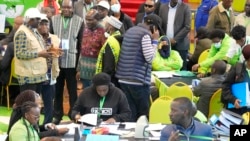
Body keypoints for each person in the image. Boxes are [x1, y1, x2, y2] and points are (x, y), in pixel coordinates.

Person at [115, 14, 160, 122]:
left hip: (123, 78)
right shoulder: (145, 35)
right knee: (143, 116)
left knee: (130, 114)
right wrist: (155, 41)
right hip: (137, 81)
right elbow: (149, 58)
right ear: (153, 27)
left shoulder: (130, 30)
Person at [50, 0, 83, 124]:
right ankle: (57, 115)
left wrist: (78, 65)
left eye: (69, 7)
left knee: (72, 90)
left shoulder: (79, 21)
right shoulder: (54, 19)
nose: (66, 10)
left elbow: (81, 44)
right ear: (61, 8)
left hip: (72, 61)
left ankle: (73, 114)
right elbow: (50, 38)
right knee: (57, 89)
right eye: (64, 7)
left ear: (73, 8)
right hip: (56, 61)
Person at [14, 8, 51, 93]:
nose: (39, 21)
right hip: (28, 77)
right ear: (30, 20)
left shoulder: (34, 30)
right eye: (37, 19)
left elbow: (37, 48)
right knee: (28, 104)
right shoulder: (22, 32)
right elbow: (20, 53)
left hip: (36, 75)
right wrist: (40, 54)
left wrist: (47, 50)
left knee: (35, 103)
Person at [37, 15, 61, 125]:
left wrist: (57, 52)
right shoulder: (34, 37)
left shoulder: (55, 38)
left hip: (51, 74)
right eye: (41, 24)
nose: (44, 26)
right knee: (35, 102)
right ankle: (34, 125)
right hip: (37, 74)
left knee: (49, 102)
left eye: (46, 24)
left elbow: (57, 53)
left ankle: (47, 124)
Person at [76, 9, 106, 88]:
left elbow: (104, 53)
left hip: (96, 71)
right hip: (84, 71)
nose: (87, 22)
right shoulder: (85, 29)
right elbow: (82, 50)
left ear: (97, 19)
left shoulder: (103, 31)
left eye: (90, 20)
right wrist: (79, 69)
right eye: (86, 19)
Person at [159, 0, 192, 70]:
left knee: (182, 70)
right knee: (166, 69)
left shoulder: (185, 8)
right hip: (165, 44)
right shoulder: (162, 7)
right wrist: (165, 39)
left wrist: (175, 39)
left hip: (181, 45)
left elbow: (187, 27)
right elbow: (160, 26)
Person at [221, 44, 250, 115]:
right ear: (248, 60)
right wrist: (233, 100)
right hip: (238, 110)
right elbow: (225, 86)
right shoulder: (237, 69)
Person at [95, 16, 123, 87]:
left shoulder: (111, 41)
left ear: (111, 27)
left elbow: (109, 64)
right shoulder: (117, 38)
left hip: (108, 80)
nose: (104, 26)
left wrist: (104, 81)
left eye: (106, 24)